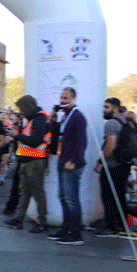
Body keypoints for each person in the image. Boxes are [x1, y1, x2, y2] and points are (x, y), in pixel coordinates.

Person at [3, 95, 51, 233]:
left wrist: (17, 135)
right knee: (24, 192)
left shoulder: (40, 119)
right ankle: (18, 219)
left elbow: (35, 141)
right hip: (27, 160)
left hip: (35, 161)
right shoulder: (33, 119)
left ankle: (42, 223)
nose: (20, 112)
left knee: (37, 192)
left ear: (28, 107)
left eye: (22, 108)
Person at [47, 88, 87, 245]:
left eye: (66, 98)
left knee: (72, 200)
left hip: (72, 163)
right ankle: (66, 228)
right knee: (63, 197)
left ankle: (75, 233)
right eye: (61, 97)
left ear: (74, 99)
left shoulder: (78, 116)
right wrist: (54, 120)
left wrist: (74, 160)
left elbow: (81, 141)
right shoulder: (65, 116)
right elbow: (59, 136)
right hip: (62, 160)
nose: (62, 100)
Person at [93, 97, 131, 237]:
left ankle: (111, 226)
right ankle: (121, 225)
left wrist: (100, 161)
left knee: (108, 196)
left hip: (112, 166)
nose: (104, 110)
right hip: (125, 164)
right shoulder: (127, 121)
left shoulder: (111, 124)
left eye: (106, 107)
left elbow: (111, 145)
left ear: (115, 108)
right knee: (120, 195)